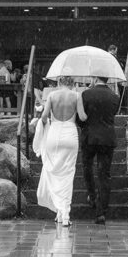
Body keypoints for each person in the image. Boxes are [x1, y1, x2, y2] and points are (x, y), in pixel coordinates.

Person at [37, 75, 87, 226]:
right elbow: (83, 117)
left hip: (54, 135)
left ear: (59, 83)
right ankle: (64, 214)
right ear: (72, 84)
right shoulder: (76, 95)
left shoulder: (52, 95)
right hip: (70, 136)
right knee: (67, 174)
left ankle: (59, 211)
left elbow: (44, 116)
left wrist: (42, 126)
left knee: (53, 172)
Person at [80, 76, 120, 225]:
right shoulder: (115, 97)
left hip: (89, 137)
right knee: (104, 174)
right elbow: (112, 114)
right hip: (107, 139)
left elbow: (80, 118)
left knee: (87, 167)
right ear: (107, 79)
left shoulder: (86, 94)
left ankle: (91, 196)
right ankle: (101, 212)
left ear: (95, 78)